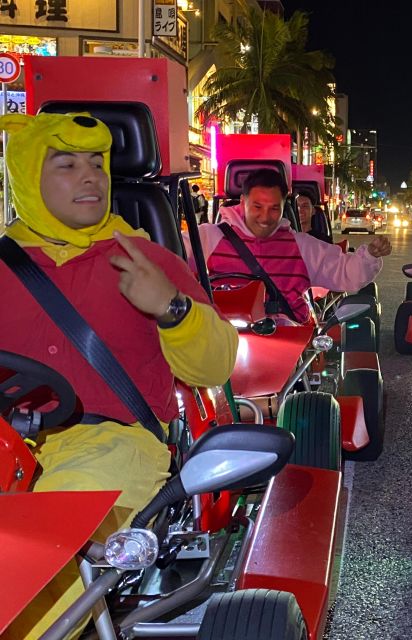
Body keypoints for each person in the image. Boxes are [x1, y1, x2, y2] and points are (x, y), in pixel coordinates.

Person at [0, 111, 238, 639]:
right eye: (66, 164)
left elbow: (217, 364)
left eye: (97, 163)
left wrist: (171, 308)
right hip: (7, 442)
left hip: (109, 440)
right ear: (26, 176)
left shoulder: (145, 259)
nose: (90, 177)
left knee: (43, 560)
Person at [188, 169, 390, 323]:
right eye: (257, 207)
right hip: (221, 344)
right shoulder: (208, 237)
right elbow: (168, 259)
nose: (265, 217)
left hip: (287, 346)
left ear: (283, 207)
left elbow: (345, 272)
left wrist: (369, 255)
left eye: (274, 208)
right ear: (242, 202)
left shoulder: (300, 245)